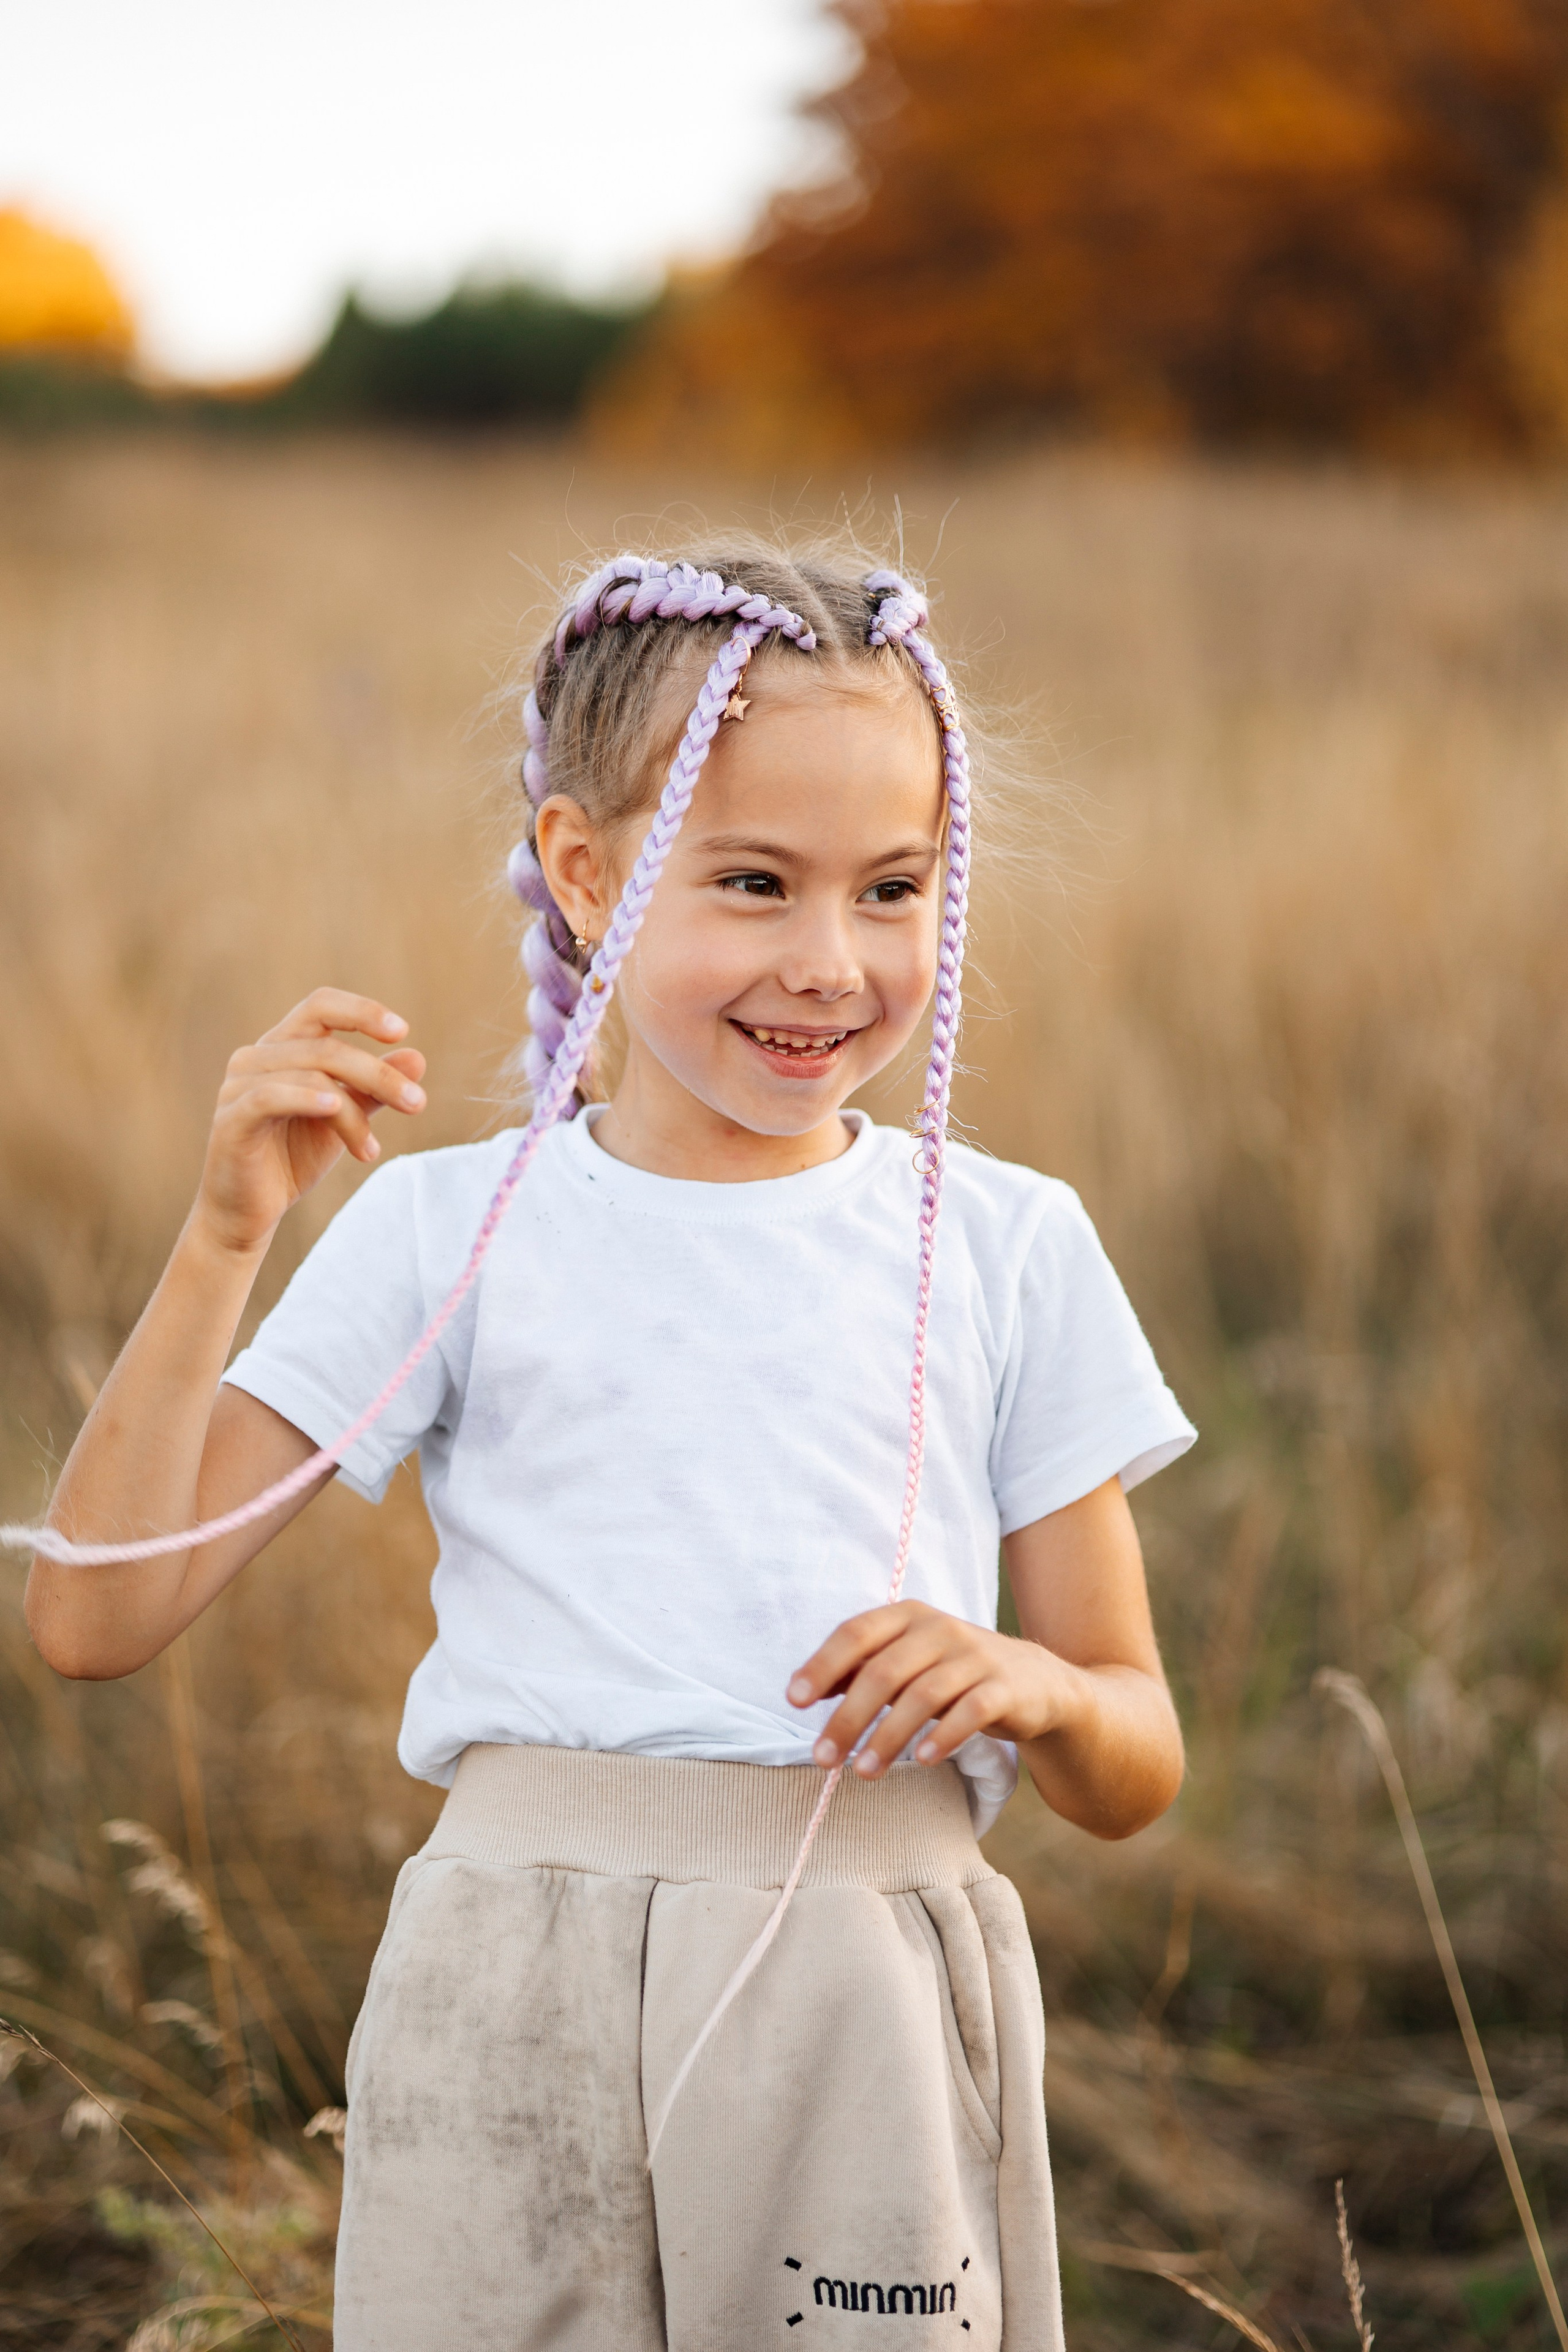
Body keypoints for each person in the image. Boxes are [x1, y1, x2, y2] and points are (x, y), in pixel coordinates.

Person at [24, 542, 1194, 2351]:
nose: (830, 963)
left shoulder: (1009, 1245)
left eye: (894, 888)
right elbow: (96, 1617)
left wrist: (1032, 1684)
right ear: (588, 873)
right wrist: (225, 1236)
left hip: (862, 2002)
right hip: (509, 1995)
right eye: (752, 882)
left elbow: (1135, 1756)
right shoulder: (453, 1231)